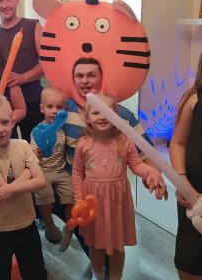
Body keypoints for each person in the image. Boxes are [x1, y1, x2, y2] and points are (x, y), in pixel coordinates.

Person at [72, 94, 163, 280]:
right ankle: (98, 275)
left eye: (107, 112)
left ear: (116, 115)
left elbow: (136, 164)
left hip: (117, 203)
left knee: (117, 245)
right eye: (96, 112)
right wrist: (79, 199)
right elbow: (77, 172)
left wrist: (151, 172)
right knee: (95, 244)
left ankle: (116, 276)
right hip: (92, 203)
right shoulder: (83, 144)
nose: (102, 116)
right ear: (87, 117)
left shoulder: (124, 140)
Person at [0, 94, 47, 280]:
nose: (0, 129)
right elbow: (1, 194)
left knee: (36, 273)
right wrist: (28, 172)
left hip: (27, 223)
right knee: (1, 274)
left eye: (5, 122)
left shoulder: (23, 146)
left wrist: (9, 188)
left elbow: (41, 182)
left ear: (13, 122)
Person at [0, 0, 43, 141]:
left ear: (17, 0)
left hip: (32, 101)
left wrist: (23, 77)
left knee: (34, 147)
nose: (5, 5)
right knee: (3, 149)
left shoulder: (33, 26)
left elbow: (48, 64)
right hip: (0, 104)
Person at [170, 45, 202, 280]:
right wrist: (181, 180)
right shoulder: (194, 98)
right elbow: (178, 143)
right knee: (190, 257)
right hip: (193, 192)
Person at [30, 86, 73, 244]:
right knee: (44, 195)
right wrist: (37, 153)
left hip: (61, 170)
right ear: (42, 108)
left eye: (59, 107)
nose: (55, 111)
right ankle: (49, 225)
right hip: (43, 171)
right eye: (50, 106)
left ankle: (70, 226)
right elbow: (32, 155)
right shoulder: (38, 131)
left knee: (72, 194)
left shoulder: (63, 130)